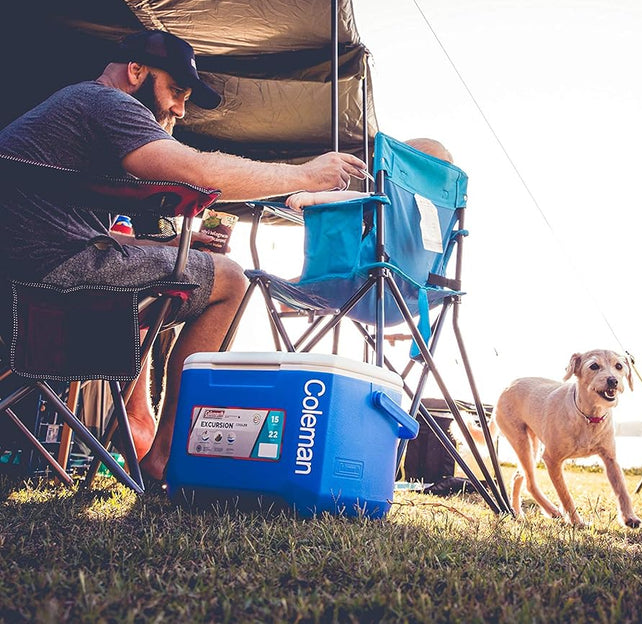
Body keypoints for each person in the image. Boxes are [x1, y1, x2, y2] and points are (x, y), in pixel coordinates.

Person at [0, 29, 367, 485]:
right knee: (230, 279)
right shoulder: (108, 104)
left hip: (26, 282)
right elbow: (195, 173)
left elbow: (92, 240)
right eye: (176, 92)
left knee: (175, 268)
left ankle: (138, 422)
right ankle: (165, 457)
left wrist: (175, 248)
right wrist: (306, 174)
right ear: (136, 71)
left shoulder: (72, 111)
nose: (179, 109)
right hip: (52, 283)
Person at [283, 137, 453, 211]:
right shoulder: (442, 216)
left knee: (285, 282)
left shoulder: (397, 202)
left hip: (371, 276)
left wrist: (313, 199)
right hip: (417, 283)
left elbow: (356, 198)